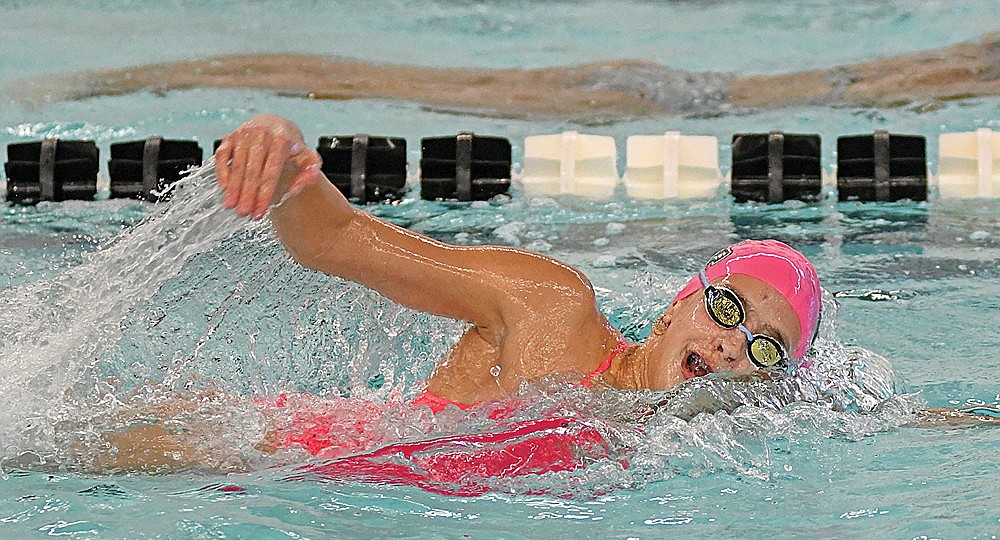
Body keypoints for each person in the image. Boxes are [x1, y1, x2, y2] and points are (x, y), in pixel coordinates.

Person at [215, 114, 822, 416]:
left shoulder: (686, 451)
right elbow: (339, 239)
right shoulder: (550, 307)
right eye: (727, 308)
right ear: (672, 312)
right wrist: (287, 157)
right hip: (281, 452)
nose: (730, 345)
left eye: (765, 347)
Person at [11, 34, 999, 118]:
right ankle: (102, 84)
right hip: (637, 105)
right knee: (352, 83)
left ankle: (109, 82)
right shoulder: (961, 75)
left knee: (358, 82)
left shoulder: (949, 69)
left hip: (659, 92)